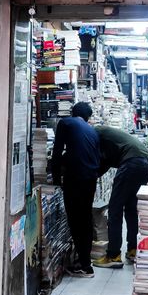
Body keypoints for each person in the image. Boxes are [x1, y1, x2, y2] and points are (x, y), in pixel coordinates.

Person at [51, 101, 100, 278]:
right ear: (87, 117)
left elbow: (57, 152)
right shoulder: (92, 131)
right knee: (85, 218)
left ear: (73, 112)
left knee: (75, 219)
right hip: (90, 178)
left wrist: (55, 179)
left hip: (75, 178)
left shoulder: (66, 123)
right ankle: (85, 261)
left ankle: (85, 266)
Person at [93, 125, 148, 268]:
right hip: (145, 163)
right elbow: (104, 164)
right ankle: (133, 249)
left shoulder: (95, 132)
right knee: (131, 208)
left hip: (131, 163)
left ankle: (113, 255)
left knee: (115, 209)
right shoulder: (105, 137)